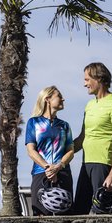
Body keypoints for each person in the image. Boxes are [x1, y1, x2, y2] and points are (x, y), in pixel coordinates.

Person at [71, 62, 112, 215]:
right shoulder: (89, 105)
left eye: (87, 80)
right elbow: (82, 138)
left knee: (103, 212)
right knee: (79, 211)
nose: (85, 84)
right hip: (86, 163)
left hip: (103, 164)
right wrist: (61, 154)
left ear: (99, 79)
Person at [24, 86, 75, 215]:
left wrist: (58, 166)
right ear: (47, 99)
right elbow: (31, 150)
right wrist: (48, 167)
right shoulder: (33, 122)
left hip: (63, 173)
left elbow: (70, 151)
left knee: (66, 217)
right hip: (41, 173)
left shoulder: (65, 125)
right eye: (59, 96)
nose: (63, 99)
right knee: (40, 217)